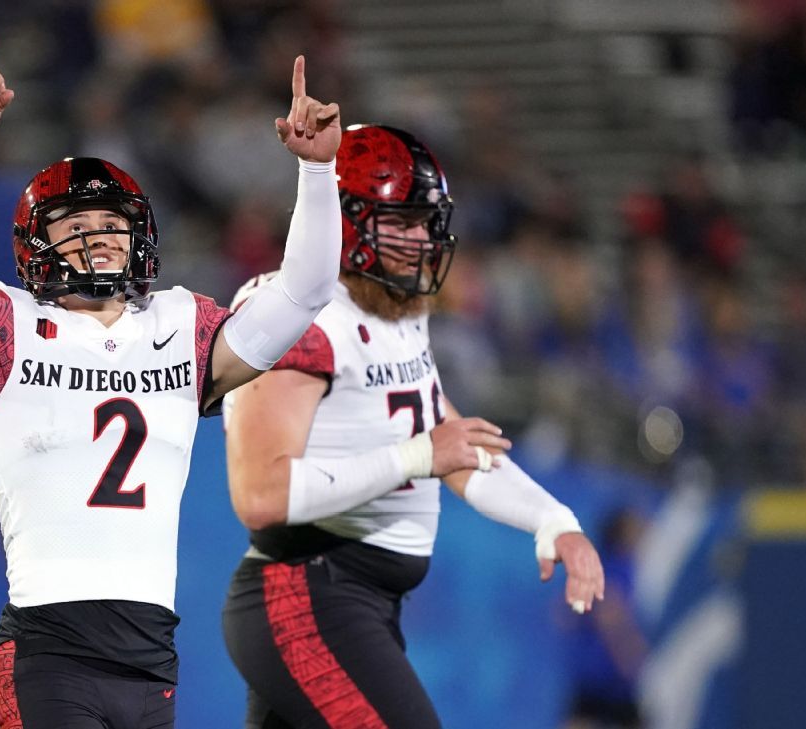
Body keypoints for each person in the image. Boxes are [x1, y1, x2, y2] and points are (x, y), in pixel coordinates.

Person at [0, 31, 417, 729]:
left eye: (112, 222)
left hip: (152, 657)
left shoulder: (180, 324)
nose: (98, 236)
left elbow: (303, 293)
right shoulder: (8, 320)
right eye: (75, 223)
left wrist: (317, 173)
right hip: (48, 649)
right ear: (36, 243)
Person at [220, 124, 606, 729]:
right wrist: (415, 458)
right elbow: (261, 495)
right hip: (305, 596)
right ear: (345, 219)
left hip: (352, 603)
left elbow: (452, 445)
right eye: (398, 220)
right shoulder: (299, 315)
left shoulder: (394, 306)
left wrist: (553, 520)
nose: (419, 238)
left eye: (426, 221)